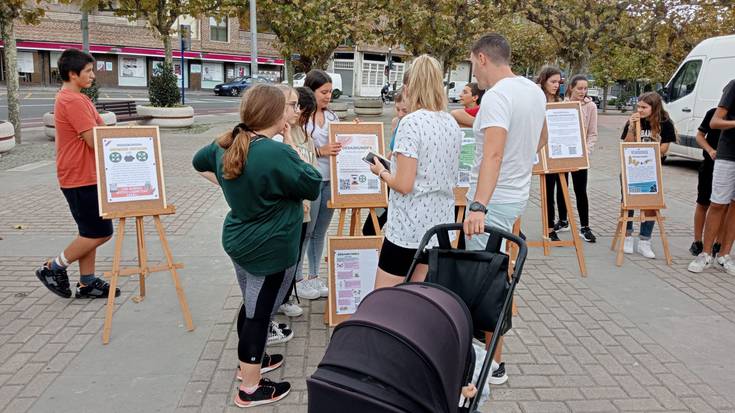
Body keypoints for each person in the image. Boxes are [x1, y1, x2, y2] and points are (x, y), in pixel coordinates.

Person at [192, 84, 321, 407]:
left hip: (240, 238)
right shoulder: (274, 151)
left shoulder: (230, 142)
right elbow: (312, 184)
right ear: (276, 114)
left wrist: (228, 183)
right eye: (288, 107)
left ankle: (252, 361)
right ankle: (250, 386)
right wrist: (290, 143)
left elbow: (198, 161)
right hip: (268, 246)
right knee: (259, 313)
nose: (293, 112)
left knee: (252, 304)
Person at [463, 33, 547, 386]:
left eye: (471, 63)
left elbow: (492, 154)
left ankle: (488, 363)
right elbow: (542, 139)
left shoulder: (497, 96)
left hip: (492, 201)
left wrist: (478, 205)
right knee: (497, 277)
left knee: (482, 283)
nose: (473, 72)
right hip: (514, 196)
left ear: (482, 58)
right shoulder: (533, 91)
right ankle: (489, 359)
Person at [368, 54, 462, 287]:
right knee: (418, 297)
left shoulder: (411, 123)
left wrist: (381, 171)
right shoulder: (450, 121)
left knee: (383, 298)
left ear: (410, 86)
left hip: (408, 229)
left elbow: (404, 184)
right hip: (439, 227)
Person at [35, 49, 119, 299]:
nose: (93, 75)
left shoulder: (79, 98)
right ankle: (53, 267)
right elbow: (94, 139)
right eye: (88, 71)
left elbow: (102, 131)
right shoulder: (71, 100)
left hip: (88, 173)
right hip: (79, 175)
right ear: (73, 74)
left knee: (89, 231)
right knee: (99, 232)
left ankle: (87, 282)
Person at [277, 86, 321, 316]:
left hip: (303, 207)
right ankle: (280, 300)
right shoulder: (281, 135)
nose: (298, 113)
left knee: (295, 251)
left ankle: (286, 296)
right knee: (285, 258)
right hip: (288, 209)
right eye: (294, 106)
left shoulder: (304, 134)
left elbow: (310, 170)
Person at [620, 92, 677, 258]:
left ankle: (645, 241)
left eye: (644, 107)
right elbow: (627, 144)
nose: (640, 110)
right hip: (632, 168)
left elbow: (664, 149)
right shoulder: (634, 120)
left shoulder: (665, 122)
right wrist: (631, 127)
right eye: (638, 106)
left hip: (652, 170)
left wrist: (647, 152)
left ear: (655, 107)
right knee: (628, 202)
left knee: (651, 204)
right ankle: (627, 236)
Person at [301, 70, 340, 299]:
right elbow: (296, 149)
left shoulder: (333, 118)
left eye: (330, 92)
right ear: (311, 91)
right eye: (323, 92)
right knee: (306, 232)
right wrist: (320, 151)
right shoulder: (301, 118)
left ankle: (314, 277)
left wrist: (354, 134)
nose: (328, 96)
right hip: (309, 183)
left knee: (319, 232)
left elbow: (340, 144)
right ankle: (298, 279)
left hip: (330, 181)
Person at [689, 80, 735, 275]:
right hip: (729, 155)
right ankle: (705, 254)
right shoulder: (734, 86)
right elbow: (715, 122)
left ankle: (724, 255)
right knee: (717, 204)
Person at [362, 85, 410, 236]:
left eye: (405, 110)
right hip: (389, 183)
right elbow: (394, 151)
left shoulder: (415, 126)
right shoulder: (396, 122)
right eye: (398, 109)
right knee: (370, 228)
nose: (401, 114)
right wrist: (382, 159)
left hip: (401, 185)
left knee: (393, 229)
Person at [559, 74, 598, 242]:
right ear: (571, 88)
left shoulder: (591, 107)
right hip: (562, 153)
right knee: (561, 187)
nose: (582, 91)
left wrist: (586, 151)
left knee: (580, 190)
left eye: (585, 88)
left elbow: (593, 133)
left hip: (580, 155)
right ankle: (562, 219)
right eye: (579, 88)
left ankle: (584, 226)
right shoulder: (561, 104)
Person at [690, 107, 727, 256]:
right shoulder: (713, 113)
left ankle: (718, 243)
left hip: (728, 165)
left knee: (724, 207)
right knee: (703, 203)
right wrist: (710, 150)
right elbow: (700, 136)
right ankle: (698, 241)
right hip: (710, 165)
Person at [536, 65, 566, 242]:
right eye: (552, 81)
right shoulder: (537, 100)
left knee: (555, 187)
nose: (556, 85)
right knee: (545, 190)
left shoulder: (560, 102)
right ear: (544, 81)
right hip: (539, 151)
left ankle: (552, 225)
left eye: (558, 82)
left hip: (556, 152)